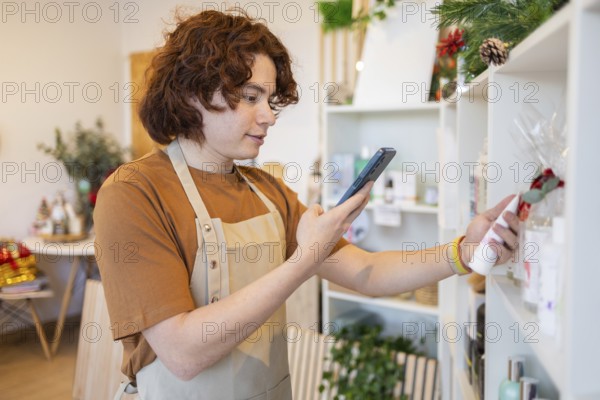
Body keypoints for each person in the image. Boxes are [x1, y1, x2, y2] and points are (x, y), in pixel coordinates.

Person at [94, 9, 519, 400]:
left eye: (270, 98)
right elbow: (184, 354)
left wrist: (463, 251)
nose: (270, 116)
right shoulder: (134, 193)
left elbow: (366, 271)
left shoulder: (268, 190)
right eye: (250, 96)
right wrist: (306, 258)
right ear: (192, 93)